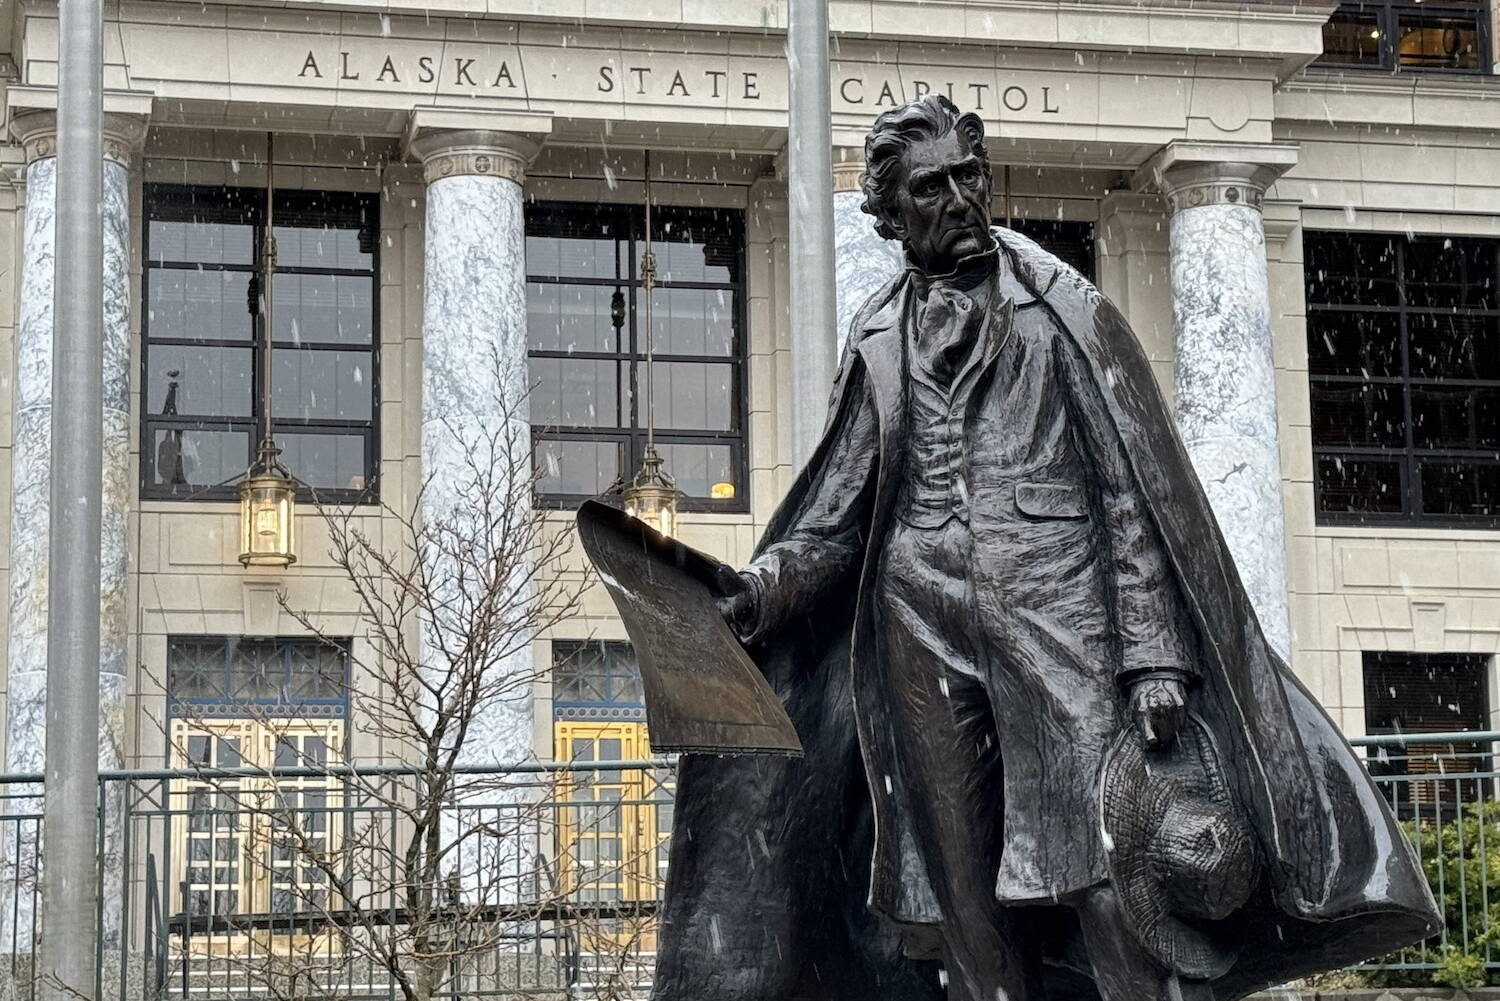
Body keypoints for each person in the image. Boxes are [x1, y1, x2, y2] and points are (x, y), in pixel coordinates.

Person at [647, 95, 1438, 1001]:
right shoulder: (875, 336)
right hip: (920, 631)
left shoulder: (1062, 309)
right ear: (891, 215)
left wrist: (1151, 657)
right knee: (967, 905)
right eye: (930, 188)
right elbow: (834, 520)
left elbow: (1130, 495)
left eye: (968, 177)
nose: (959, 199)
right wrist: (760, 591)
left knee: (1111, 878)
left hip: (1063, 623)